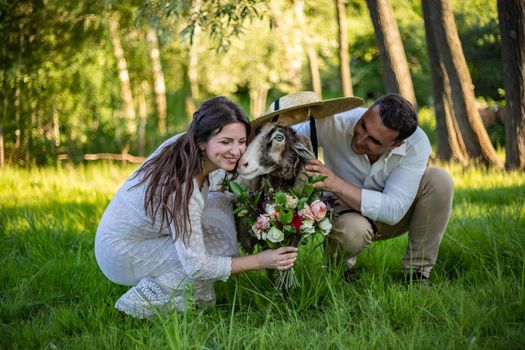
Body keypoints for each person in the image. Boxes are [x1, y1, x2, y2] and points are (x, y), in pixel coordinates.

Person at [94, 96, 298, 319]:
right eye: (226, 141)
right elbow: (197, 266)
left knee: (221, 207)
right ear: (202, 141)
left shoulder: (191, 149)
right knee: (206, 268)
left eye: (241, 141)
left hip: (142, 234)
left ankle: (178, 285)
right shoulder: (182, 186)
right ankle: (144, 299)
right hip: (122, 251)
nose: (237, 151)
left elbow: (232, 187)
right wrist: (261, 260)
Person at [253, 91, 453, 287]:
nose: (360, 139)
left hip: (394, 217)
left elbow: (393, 211)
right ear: (366, 112)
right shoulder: (335, 121)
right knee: (352, 232)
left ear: (396, 144)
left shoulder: (416, 144)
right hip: (344, 214)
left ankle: (417, 274)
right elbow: (280, 140)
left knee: (439, 179)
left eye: (374, 141)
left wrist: (335, 183)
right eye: (363, 125)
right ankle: (339, 270)